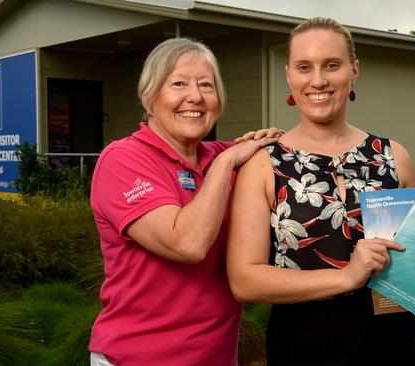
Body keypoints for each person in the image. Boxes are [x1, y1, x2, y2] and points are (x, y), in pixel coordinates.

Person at [226, 17, 415, 365]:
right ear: (289, 76)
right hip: (304, 346)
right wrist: (345, 277)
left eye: (332, 65)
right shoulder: (264, 164)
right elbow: (244, 281)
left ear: (354, 70)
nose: (318, 80)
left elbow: (413, 266)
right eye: (304, 67)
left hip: (392, 345)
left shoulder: (394, 156)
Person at [88, 37, 280, 366]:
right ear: (149, 98)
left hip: (217, 357)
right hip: (136, 359)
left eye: (206, 85)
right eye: (178, 83)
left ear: (218, 100)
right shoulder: (122, 159)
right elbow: (187, 244)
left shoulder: (225, 155)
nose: (194, 96)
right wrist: (225, 165)